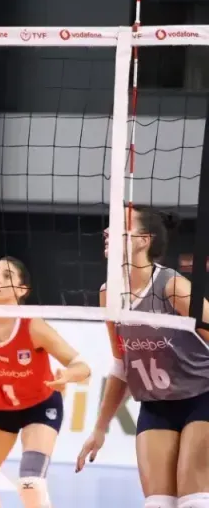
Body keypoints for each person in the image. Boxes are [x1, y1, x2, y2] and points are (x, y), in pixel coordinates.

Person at [76, 207, 209, 508]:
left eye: (119, 227)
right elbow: (121, 364)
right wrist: (100, 428)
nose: (106, 232)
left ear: (143, 240)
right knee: (158, 504)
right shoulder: (109, 294)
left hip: (202, 396)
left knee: (195, 502)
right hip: (156, 405)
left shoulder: (172, 287)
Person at [0, 257, 91, 508]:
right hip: (0, 407)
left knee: (30, 484)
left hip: (40, 406)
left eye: (7, 276)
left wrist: (67, 376)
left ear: (22, 290)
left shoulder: (33, 326)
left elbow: (82, 367)